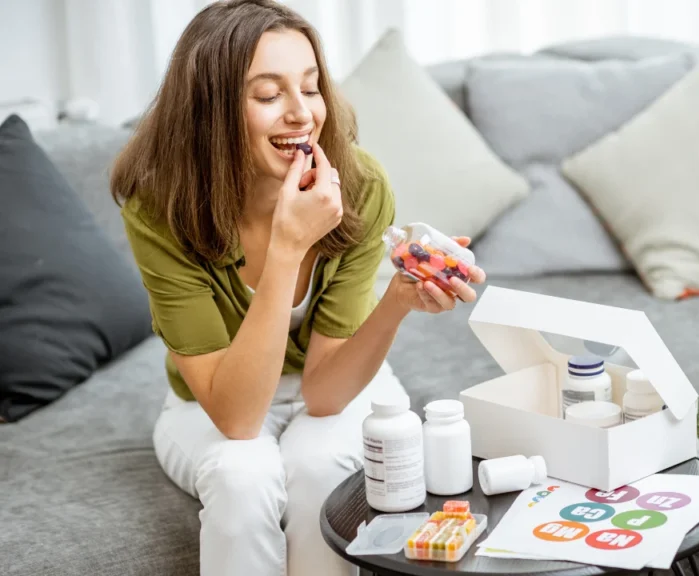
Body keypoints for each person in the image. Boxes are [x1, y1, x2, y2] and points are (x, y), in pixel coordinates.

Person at [110, 1, 485, 575]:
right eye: (268, 95)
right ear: (209, 111)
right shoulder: (159, 210)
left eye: (311, 89)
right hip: (210, 400)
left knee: (316, 470)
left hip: (335, 383)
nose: (302, 115)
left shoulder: (357, 185)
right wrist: (288, 248)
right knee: (242, 474)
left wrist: (398, 301)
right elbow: (236, 418)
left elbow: (326, 395)